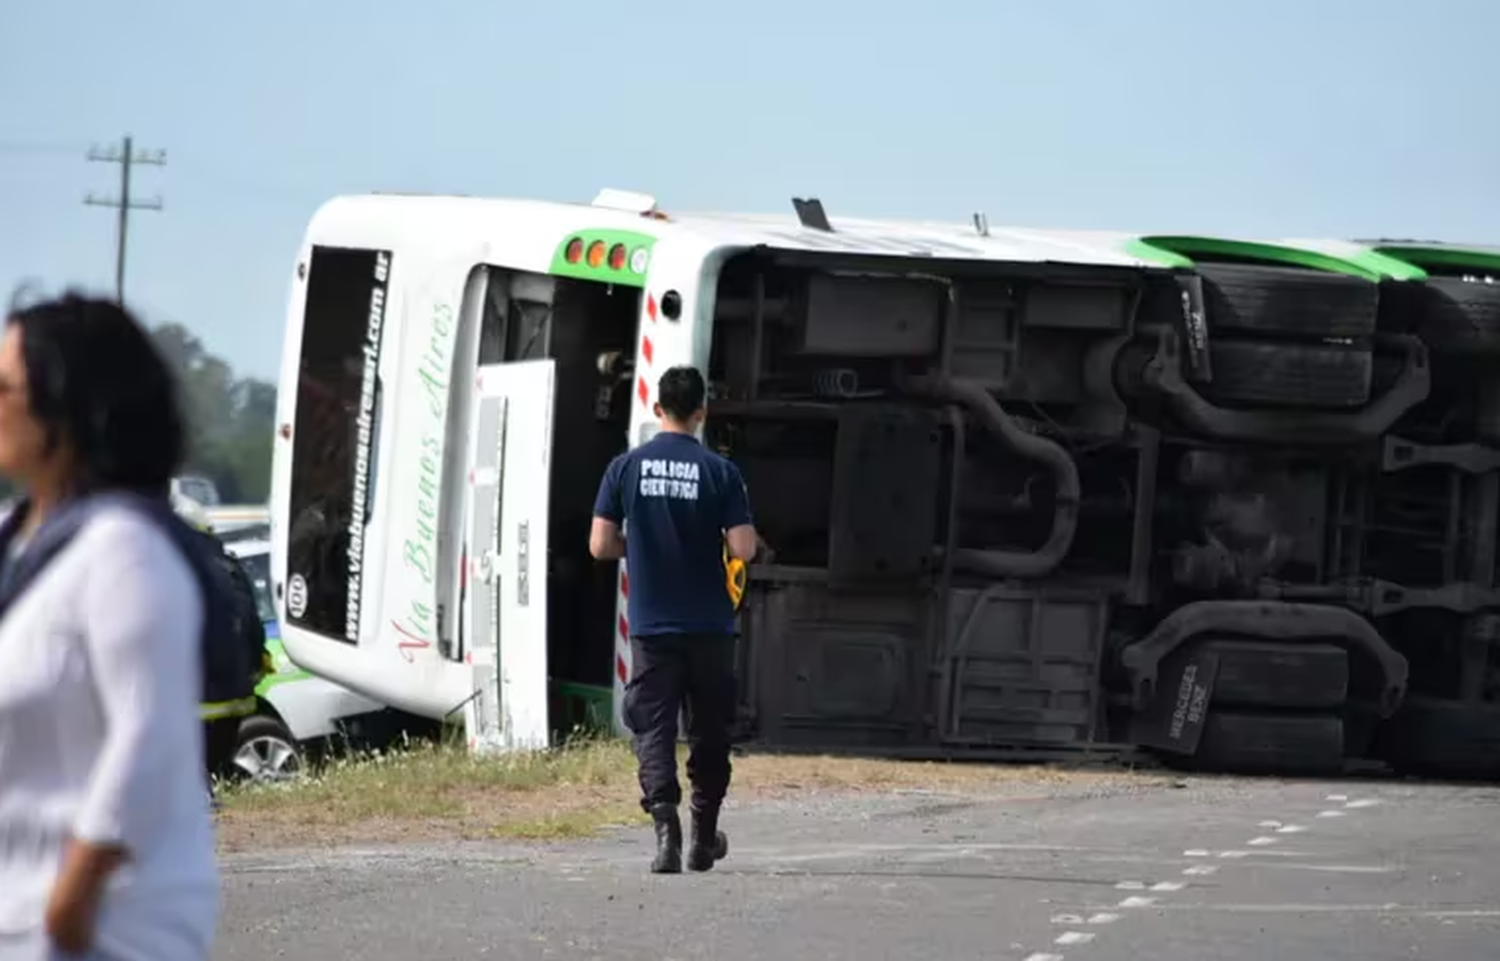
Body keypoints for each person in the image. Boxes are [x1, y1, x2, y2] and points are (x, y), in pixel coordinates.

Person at [0, 291, 218, 960]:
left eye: (4, 385)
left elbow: (148, 731)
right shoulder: (18, 544)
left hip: (103, 929)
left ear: (67, 408)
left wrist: (73, 894)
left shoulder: (126, 551)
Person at [590, 364, 759, 874]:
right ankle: (703, 840)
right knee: (708, 731)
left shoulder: (625, 468)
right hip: (709, 626)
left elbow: (600, 545)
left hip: (652, 627)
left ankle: (665, 832)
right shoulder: (721, 472)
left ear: (657, 408)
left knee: (653, 727)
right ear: (701, 413)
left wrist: (638, 547)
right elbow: (744, 548)